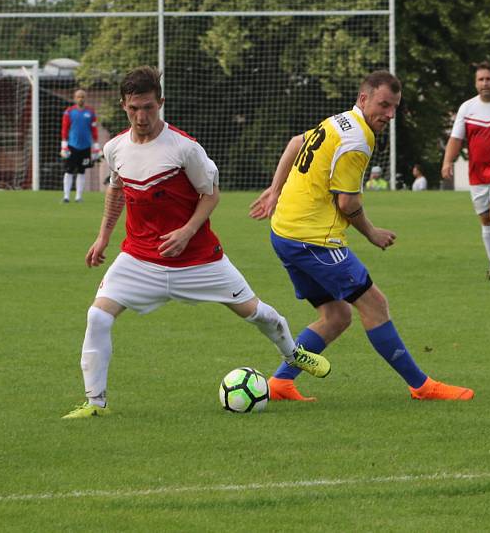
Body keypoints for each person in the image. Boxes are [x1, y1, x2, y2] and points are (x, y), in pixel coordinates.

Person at [62, 66, 331, 419]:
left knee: (257, 314)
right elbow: (116, 191)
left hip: (199, 259)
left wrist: (187, 231)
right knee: (97, 315)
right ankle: (95, 404)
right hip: (140, 258)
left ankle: (292, 353)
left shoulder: (185, 148)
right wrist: (102, 237)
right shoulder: (115, 148)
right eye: (133, 109)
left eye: (148, 107)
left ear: (160, 103)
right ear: (124, 106)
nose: (141, 116)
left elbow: (211, 194)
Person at [250, 70, 473, 403]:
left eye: (395, 107)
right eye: (384, 105)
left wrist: (275, 189)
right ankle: (421, 387)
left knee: (337, 316)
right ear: (364, 98)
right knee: (375, 305)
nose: (390, 114)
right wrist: (372, 233)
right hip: (312, 240)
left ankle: (281, 383)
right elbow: (348, 202)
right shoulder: (358, 139)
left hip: (285, 232)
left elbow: (296, 143)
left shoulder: (338, 121)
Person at [441, 61, 490, 281]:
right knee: (485, 219)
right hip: (477, 173)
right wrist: (447, 161)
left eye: (489, 79)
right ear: (476, 83)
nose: (485, 83)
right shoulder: (467, 108)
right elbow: (456, 138)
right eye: (481, 79)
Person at [60, 89, 101, 203]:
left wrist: (96, 147)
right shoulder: (69, 112)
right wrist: (64, 146)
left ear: (85, 98)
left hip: (86, 147)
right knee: (69, 171)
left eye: (82, 96)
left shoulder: (91, 112)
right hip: (72, 146)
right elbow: (64, 129)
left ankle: (78, 196)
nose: (80, 99)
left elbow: (94, 130)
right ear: (74, 98)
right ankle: (66, 196)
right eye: (78, 97)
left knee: (82, 171)